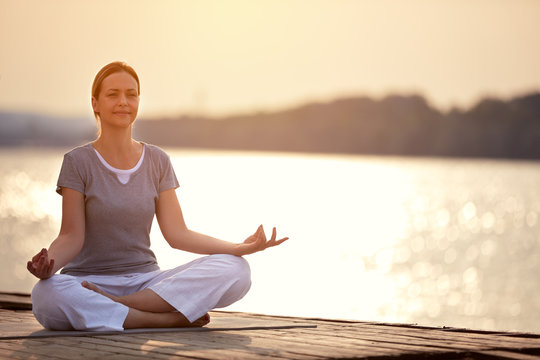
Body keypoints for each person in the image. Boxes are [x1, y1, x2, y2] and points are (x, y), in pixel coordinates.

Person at [26, 61, 288, 331]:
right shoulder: (78, 161)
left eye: (131, 94)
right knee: (46, 294)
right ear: (95, 103)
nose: (123, 102)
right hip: (88, 282)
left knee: (237, 270)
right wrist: (49, 264)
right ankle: (155, 318)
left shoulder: (157, 160)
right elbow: (71, 236)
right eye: (113, 94)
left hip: (147, 283)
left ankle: (119, 305)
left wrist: (237, 249)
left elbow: (178, 234)